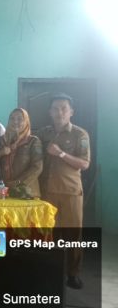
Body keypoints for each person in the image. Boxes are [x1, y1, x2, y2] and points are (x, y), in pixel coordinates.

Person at [39, 94, 90, 289]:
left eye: (63, 108)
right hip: (46, 193)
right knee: (48, 235)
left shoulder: (80, 134)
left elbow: (84, 164)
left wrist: (61, 153)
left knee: (73, 235)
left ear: (71, 112)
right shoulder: (43, 133)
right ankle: (50, 272)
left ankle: (73, 274)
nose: (59, 112)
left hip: (70, 192)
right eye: (55, 108)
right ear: (49, 112)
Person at [0, 108, 43, 197]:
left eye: (20, 119)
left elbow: (37, 168)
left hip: (27, 193)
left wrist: (17, 183)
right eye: (12, 118)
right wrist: (0, 153)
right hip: (5, 191)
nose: (15, 122)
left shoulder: (33, 141)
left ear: (26, 122)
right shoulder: (2, 141)